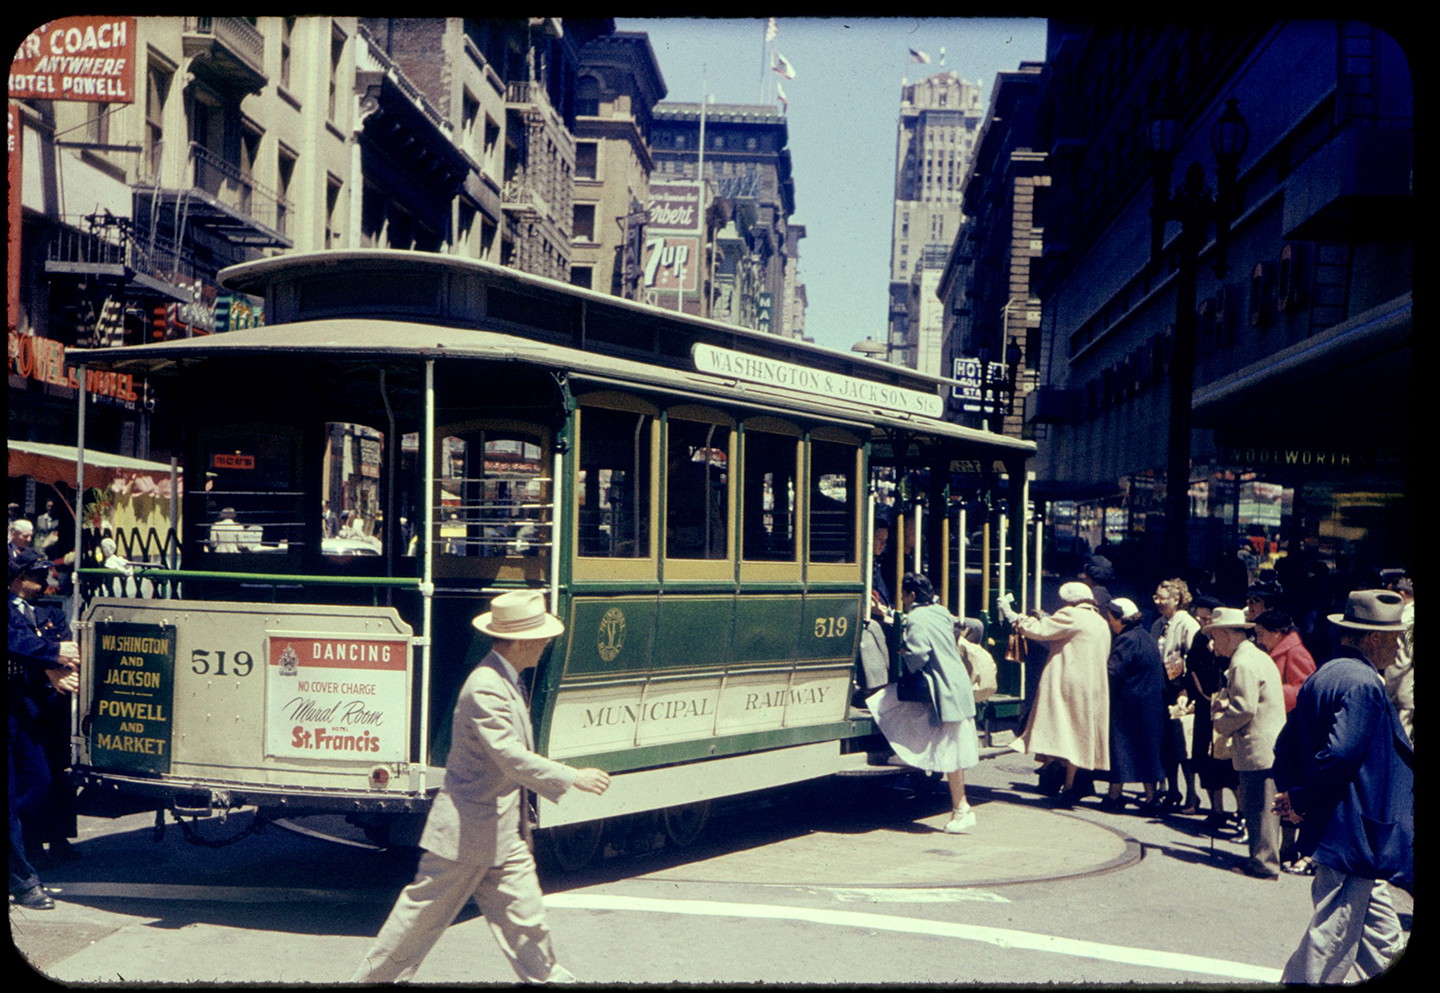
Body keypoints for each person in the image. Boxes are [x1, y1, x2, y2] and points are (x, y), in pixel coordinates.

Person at [352, 590, 611, 983]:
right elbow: (508, 755)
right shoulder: (486, 686)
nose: (545, 644)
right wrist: (572, 776)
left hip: (503, 832)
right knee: (417, 922)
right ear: (522, 641)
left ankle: (550, 978)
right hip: (466, 832)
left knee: (527, 921)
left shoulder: (509, 678)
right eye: (541, 637)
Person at [1273, 589, 1413, 984]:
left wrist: (1296, 797)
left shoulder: (1326, 674)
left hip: (1343, 830)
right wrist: (1300, 799)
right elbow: (1341, 754)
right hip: (1353, 830)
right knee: (1333, 935)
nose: (1398, 648)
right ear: (1373, 639)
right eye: (1395, 639)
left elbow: (1285, 744)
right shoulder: (1365, 684)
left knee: (1381, 936)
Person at [866, 574, 980, 833]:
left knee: (885, 705)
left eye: (904, 595)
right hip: (956, 683)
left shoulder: (916, 617)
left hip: (941, 687)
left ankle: (961, 808)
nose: (903, 600)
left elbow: (918, 652)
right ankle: (959, 807)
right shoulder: (939, 611)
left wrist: (904, 653)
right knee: (952, 750)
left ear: (912, 595)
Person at [8, 548, 81, 910]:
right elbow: (16, 641)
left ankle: (24, 851)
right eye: (37, 575)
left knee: (39, 782)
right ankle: (23, 881)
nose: (46, 582)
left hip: (23, 707)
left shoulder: (42, 610)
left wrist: (51, 662)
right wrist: (52, 658)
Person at [998, 581, 1111, 805]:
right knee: (1079, 734)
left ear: (1070, 601)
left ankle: (1053, 775)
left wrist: (1013, 615)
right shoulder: (1100, 622)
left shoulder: (1072, 615)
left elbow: (1040, 630)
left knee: (1060, 728)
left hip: (1068, 683)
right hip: (1094, 686)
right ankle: (1069, 785)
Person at [1206, 607, 1285, 880]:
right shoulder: (1254, 657)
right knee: (1261, 807)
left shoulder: (1242, 662)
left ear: (1227, 634)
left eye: (1215, 637)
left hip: (1258, 747)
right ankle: (1263, 858)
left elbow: (1244, 709)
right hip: (1267, 745)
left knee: (1260, 808)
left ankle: (1264, 863)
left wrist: (1220, 723)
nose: (1214, 645)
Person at [1098, 598, 1166, 810]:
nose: (1110, 624)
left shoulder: (1126, 639)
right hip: (1149, 703)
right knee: (1146, 751)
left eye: (1112, 620)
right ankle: (1151, 797)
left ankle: (1114, 796)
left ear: (1122, 620)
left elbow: (1113, 671)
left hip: (1129, 704)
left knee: (1120, 749)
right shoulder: (1143, 636)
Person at [1185, 596, 1240, 827]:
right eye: (1201, 617)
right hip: (1204, 708)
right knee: (1204, 760)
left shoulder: (1233, 646)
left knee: (1227, 762)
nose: (1203, 622)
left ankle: (1241, 811)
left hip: (1224, 705)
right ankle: (1216, 809)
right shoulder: (1199, 639)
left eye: (1208, 618)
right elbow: (1193, 669)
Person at [1151, 578, 1201, 809]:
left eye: (1162, 597)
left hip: (1181, 691)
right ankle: (1172, 790)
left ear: (1177, 599)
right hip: (1162, 689)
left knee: (1183, 745)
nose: (1158, 601)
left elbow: (1194, 659)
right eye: (1156, 597)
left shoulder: (1187, 624)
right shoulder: (1158, 623)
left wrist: (1185, 690)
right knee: (1166, 745)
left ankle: (1192, 794)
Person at [1253, 610, 1316, 715]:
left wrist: (1268, 692)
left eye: (1261, 634)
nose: (1258, 640)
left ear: (1276, 633)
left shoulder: (1296, 652)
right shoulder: (1277, 651)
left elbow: (1305, 690)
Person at [1383, 576, 1413, 745]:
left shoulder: (1406, 618)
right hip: (1406, 687)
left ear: (1401, 594)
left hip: (1403, 685)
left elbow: (1403, 660)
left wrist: (1389, 687)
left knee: (1401, 737)